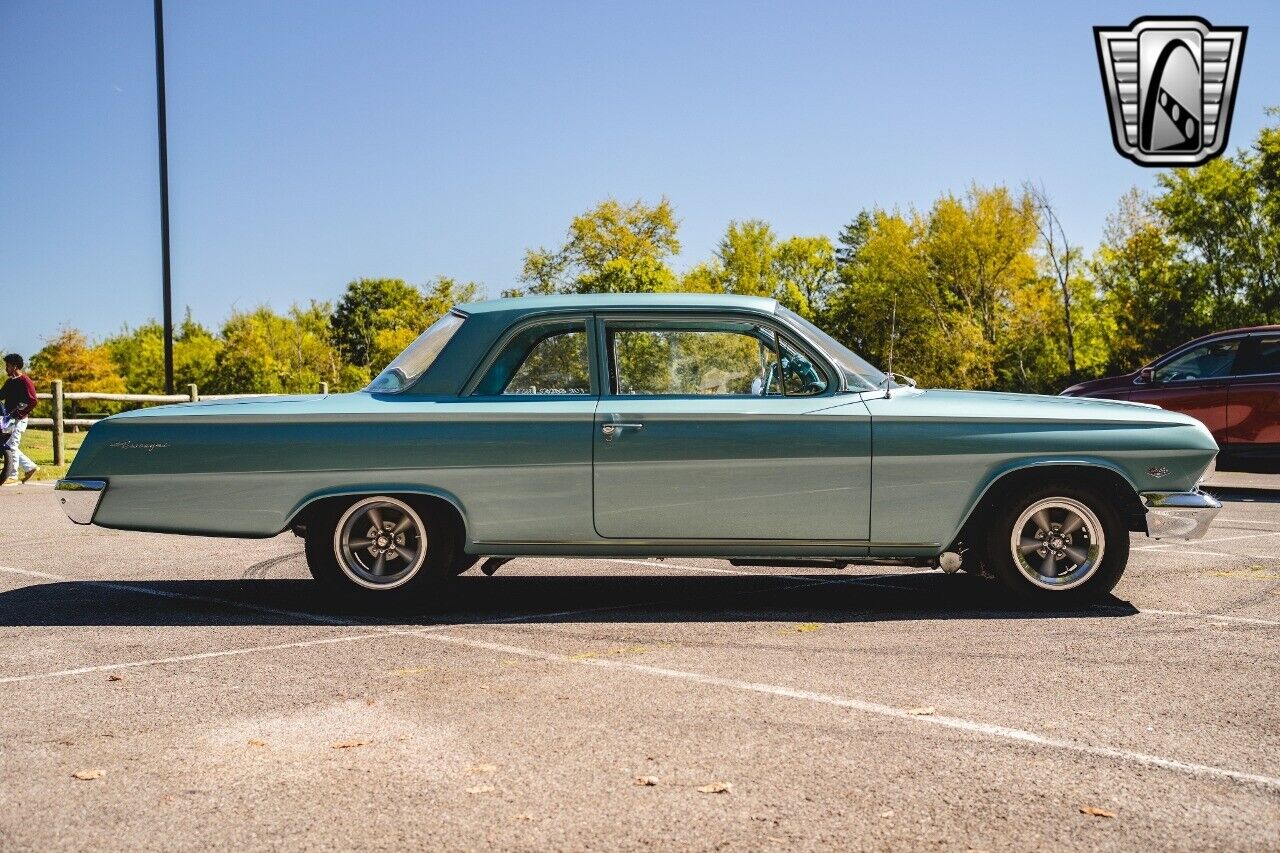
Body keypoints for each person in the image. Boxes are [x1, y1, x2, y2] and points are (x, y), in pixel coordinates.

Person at [1, 354, 39, 484]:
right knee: (9, 445)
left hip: (19, 418)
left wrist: (19, 412)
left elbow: (33, 400)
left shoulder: (25, 381)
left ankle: (13, 475)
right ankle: (29, 467)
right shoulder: (10, 381)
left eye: (8, 365)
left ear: (14, 366)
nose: (6, 368)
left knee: (12, 445)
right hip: (8, 418)